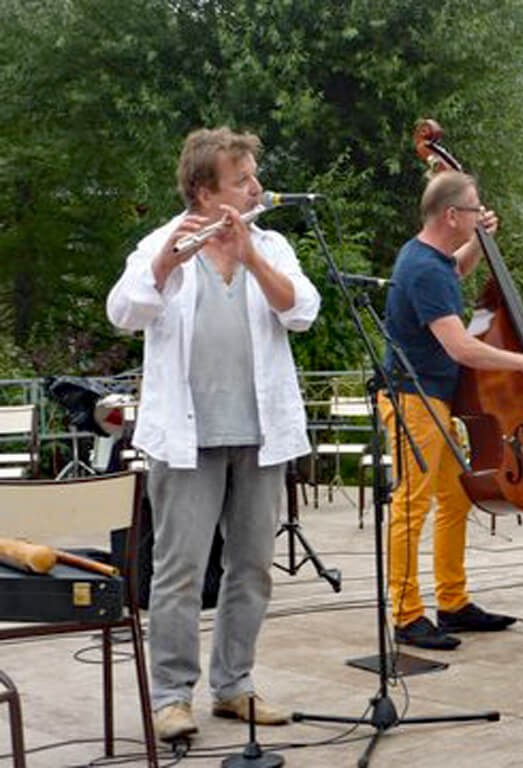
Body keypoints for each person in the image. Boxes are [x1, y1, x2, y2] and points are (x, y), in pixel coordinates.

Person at [106, 127, 321, 741]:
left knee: (251, 568)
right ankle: (172, 697)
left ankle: (234, 687)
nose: (256, 187)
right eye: (242, 180)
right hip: (185, 438)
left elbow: (302, 312)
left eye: (253, 176)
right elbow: (123, 313)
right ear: (205, 192)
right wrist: (163, 265)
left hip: (260, 434)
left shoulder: (273, 245)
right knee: (178, 570)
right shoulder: (161, 242)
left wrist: (250, 255)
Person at [379, 171, 523, 650]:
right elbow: (461, 349)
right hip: (412, 398)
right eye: (474, 209)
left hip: (434, 397)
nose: (480, 214)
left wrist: (480, 242)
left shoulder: (430, 261)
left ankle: (452, 602)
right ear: (451, 214)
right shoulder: (422, 269)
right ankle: (406, 613)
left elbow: (454, 270)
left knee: (454, 498)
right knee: (411, 503)